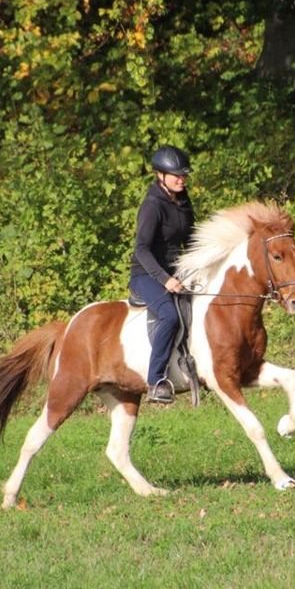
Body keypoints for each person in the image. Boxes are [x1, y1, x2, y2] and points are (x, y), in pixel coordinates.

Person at [129, 145, 196, 404]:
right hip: (146, 274)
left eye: (184, 175)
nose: (181, 179)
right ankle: (155, 380)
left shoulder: (183, 200)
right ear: (160, 175)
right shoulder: (152, 205)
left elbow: (190, 240)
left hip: (176, 271)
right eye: (176, 175)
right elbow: (142, 249)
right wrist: (165, 279)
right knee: (169, 315)